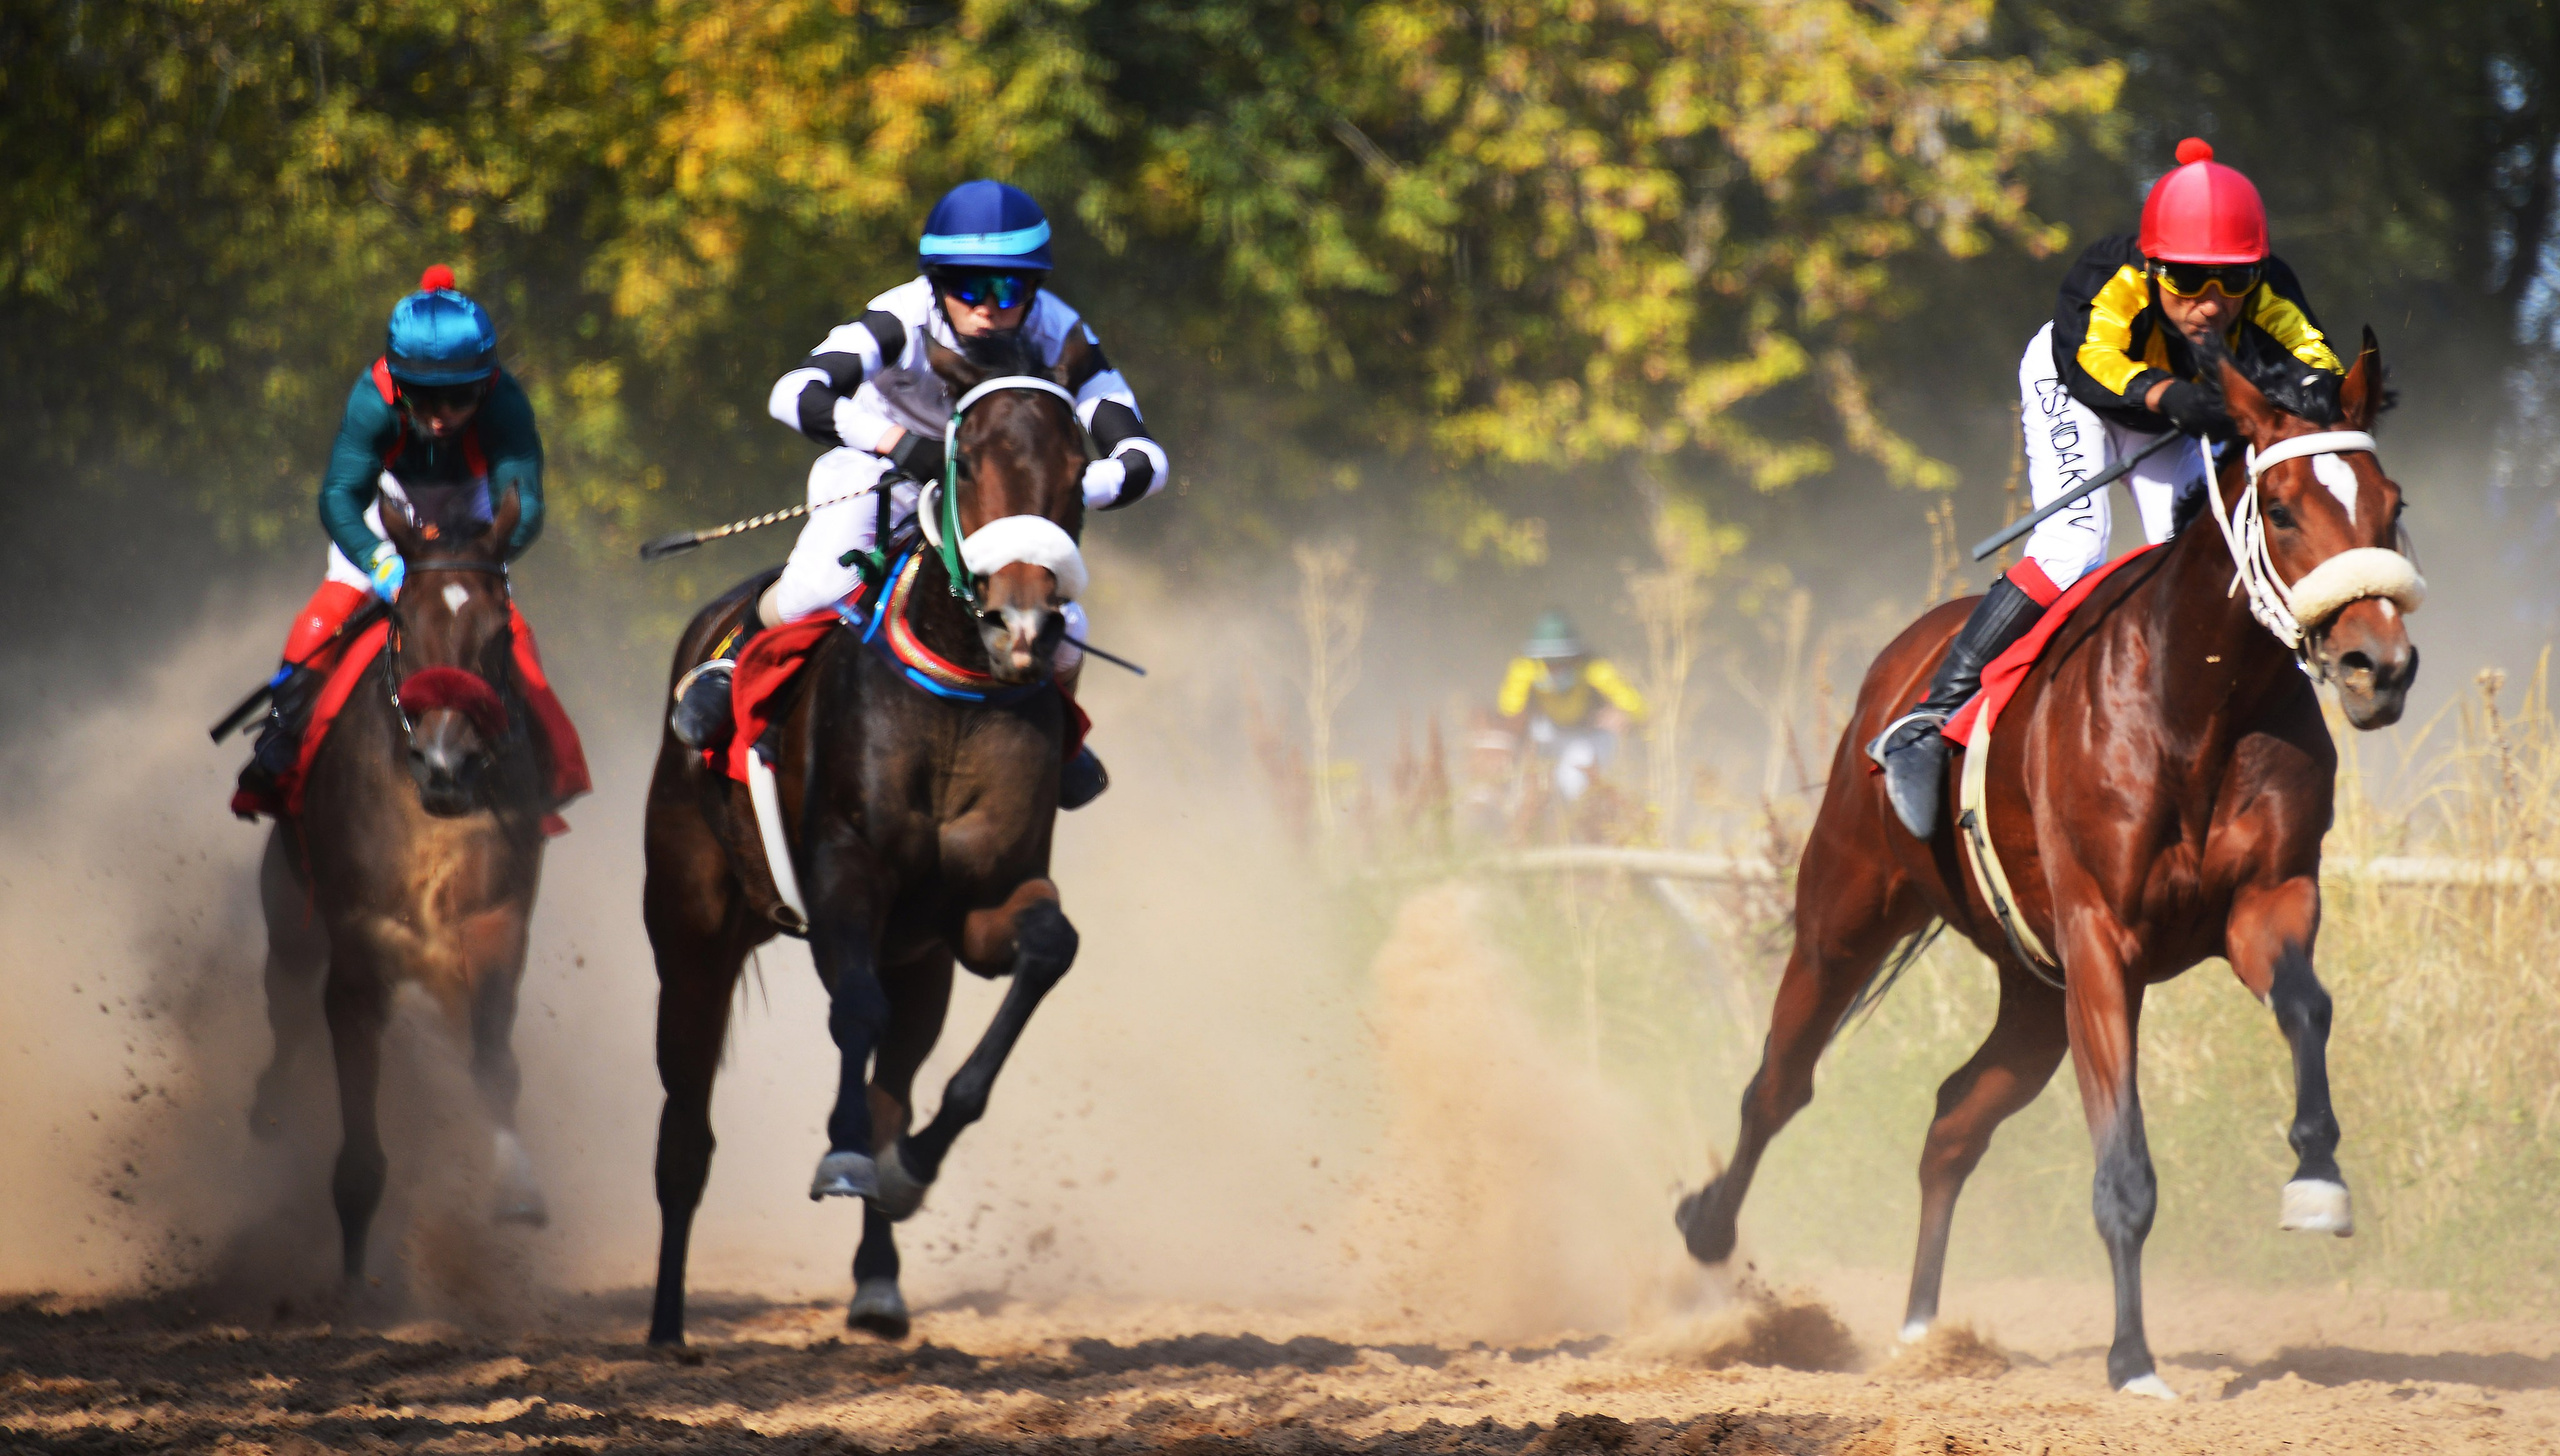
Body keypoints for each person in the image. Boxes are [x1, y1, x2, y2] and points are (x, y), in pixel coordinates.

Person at [1870, 138, 2346, 837]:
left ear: (2256, 272)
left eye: (2232, 283)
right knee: (2074, 544)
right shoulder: (2108, 275)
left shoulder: (2269, 288)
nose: (2211, 305)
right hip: (2077, 388)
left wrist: (2284, 397)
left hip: (2172, 401)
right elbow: (2091, 362)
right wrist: (2172, 400)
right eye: (2186, 279)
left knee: (2193, 549)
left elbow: (2318, 366)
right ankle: (1931, 721)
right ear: (2153, 265)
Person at [669, 180, 1167, 809]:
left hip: (994, 501)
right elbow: (793, 393)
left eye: (1008, 289)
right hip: (881, 474)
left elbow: (1145, 459)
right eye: (968, 287)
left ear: (1034, 290)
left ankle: (1055, 736)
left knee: (1067, 630)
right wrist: (898, 443)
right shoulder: (900, 317)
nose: (988, 308)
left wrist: (1061, 490)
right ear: (936, 283)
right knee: (819, 585)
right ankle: (730, 660)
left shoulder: (1060, 333)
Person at [232, 266, 545, 819]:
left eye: (458, 398)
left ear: (486, 384)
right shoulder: (372, 400)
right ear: (399, 385)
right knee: (323, 618)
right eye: (422, 399)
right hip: (390, 507)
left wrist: (472, 563)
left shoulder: (507, 404)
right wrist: (379, 562)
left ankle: (541, 757)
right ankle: (279, 744)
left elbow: (525, 507)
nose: (440, 417)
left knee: (510, 629)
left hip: (471, 513)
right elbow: (338, 498)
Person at [1496, 611, 1647, 802]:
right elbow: (1509, 711)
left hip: (1585, 735)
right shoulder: (1525, 667)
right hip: (1547, 732)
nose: (1555, 667)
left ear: (1575, 656)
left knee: (1574, 784)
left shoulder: (1593, 667)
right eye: (1548, 661)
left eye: (1561, 660)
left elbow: (1636, 706)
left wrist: (1627, 716)